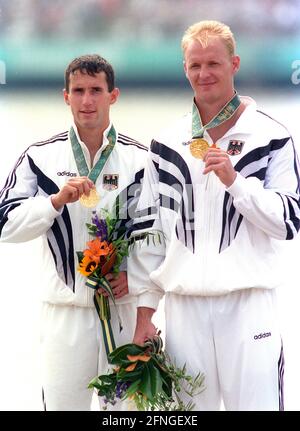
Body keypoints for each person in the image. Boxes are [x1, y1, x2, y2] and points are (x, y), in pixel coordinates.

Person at [127, 20, 300, 411]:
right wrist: (144, 314)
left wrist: (235, 181)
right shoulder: (166, 143)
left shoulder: (272, 136)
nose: (204, 74)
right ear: (185, 69)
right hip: (184, 309)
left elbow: (288, 220)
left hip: (249, 305)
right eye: (195, 65)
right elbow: (151, 234)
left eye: (214, 64)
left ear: (234, 63)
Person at [0, 54, 148, 411]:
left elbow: (161, 234)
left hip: (122, 312)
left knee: (127, 416)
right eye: (78, 90)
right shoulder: (40, 157)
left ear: (113, 95)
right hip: (64, 314)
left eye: (96, 90)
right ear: (65, 96)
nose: (87, 100)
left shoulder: (142, 159)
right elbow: (5, 225)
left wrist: (137, 277)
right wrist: (53, 202)